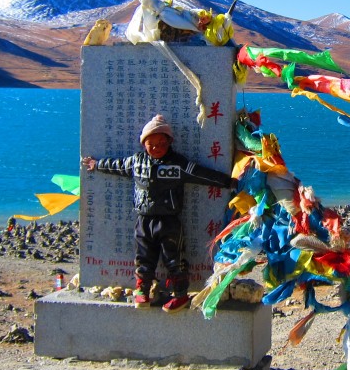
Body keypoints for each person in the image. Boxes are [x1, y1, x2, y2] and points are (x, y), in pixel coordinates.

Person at [81, 114, 236, 312]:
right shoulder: (136, 162)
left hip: (169, 221)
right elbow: (118, 165)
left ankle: (180, 295)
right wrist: (97, 165)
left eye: (161, 143)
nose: (156, 148)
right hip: (143, 220)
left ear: (170, 142)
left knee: (175, 259)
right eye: (151, 143)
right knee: (143, 258)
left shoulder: (178, 164)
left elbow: (201, 174)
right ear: (144, 143)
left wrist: (227, 181)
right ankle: (142, 292)